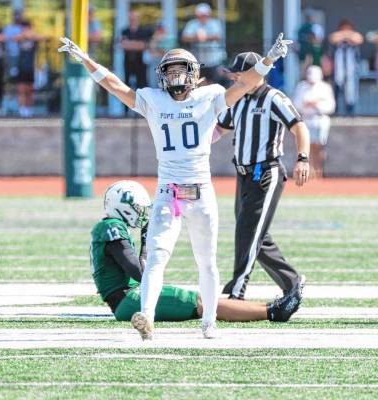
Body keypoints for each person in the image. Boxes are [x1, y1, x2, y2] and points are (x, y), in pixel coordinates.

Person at [58, 32, 293, 341]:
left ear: (194, 73)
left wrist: (270, 59)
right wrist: (87, 60)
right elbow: (115, 86)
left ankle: (209, 321)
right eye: (169, 70)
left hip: (200, 191)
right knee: (157, 255)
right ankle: (148, 316)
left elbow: (246, 84)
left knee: (206, 259)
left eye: (180, 69)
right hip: (170, 192)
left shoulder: (209, 97)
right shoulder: (153, 100)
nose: (175, 75)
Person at [91, 180, 302, 333]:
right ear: (123, 207)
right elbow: (139, 272)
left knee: (204, 299)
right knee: (202, 302)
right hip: (129, 300)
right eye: (138, 209)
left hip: (130, 298)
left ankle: (271, 307)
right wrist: (148, 240)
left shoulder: (109, 227)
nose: (143, 213)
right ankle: (272, 311)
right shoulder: (110, 227)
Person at [215, 51, 310, 301]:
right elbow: (220, 129)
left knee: (248, 231)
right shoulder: (236, 99)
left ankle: (237, 288)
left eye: (240, 72)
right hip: (243, 174)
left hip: (265, 172)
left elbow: (299, 126)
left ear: (255, 73)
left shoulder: (273, 98)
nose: (234, 76)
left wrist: (302, 158)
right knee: (256, 232)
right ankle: (292, 281)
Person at [293, 66, 336, 178]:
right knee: (308, 146)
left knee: (320, 147)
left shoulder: (325, 87)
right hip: (306, 119)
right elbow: (296, 104)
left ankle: (319, 172)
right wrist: (305, 104)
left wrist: (317, 104)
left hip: (320, 120)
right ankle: (310, 172)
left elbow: (330, 106)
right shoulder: (301, 86)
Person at [181, 3, 225, 85]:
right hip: (198, 60)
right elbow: (184, 37)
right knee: (200, 83)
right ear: (197, 15)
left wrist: (204, 37)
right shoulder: (192, 24)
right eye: (201, 15)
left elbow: (217, 36)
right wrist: (196, 38)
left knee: (213, 85)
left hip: (214, 60)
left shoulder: (215, 23)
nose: (203, 17)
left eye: (205, 15)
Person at [329, 19, 363, 115]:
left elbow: (359, 39)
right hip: (338, 71)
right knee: (337, 92)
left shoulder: (354, 36)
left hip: (351, 71)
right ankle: (336, 111)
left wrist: (346, 35)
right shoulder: (337, 37)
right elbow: (333, 38)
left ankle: (351, 112)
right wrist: (345, 35)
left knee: (351, 92)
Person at [14, 20, 46, 117]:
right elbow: (16, 38)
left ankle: (29, 109)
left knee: (30, 90)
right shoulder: (20, 37)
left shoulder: (34, 38)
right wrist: (25, 35)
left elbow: (42, 37)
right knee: (21, 89)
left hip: (32, 67)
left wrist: (30, 35)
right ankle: (22, 109)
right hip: (21, 66)